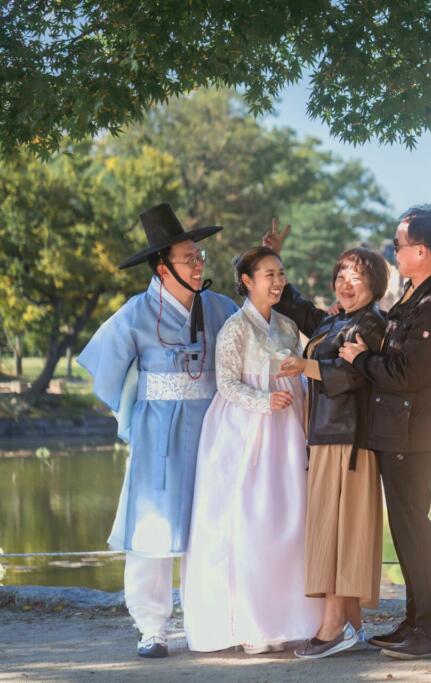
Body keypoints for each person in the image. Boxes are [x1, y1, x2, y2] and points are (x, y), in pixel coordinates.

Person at [77, 204, 238, 658]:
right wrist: (132, 413)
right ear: (162, 266)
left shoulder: (220, 307)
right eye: (189, 258)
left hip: (211, 428)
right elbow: (105, 373)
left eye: (199, 255)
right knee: (152, 529)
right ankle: (152, 627)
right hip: (158, 435)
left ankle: (210, 620)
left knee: (211, 526)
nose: (199, 263)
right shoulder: (135, 313)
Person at [339, 204, 431, 660]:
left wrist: (361, 361)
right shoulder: (417, 293)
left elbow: (408, 373)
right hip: (401, 428)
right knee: (406, 529)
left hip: (416, 429)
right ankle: (415, 622)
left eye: (398, 245)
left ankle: (430, 632)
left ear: (422, 251)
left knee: (414, 527)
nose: (393, 252)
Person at [182, 246, 321, 654]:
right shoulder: (234, 328)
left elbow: (299, 377)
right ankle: (251, 622)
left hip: (287, 433)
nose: (277, 282)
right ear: (247, 280)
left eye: (280, 274)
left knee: (289, 519)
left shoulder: (287, 325)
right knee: (250, 521)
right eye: (268, 275)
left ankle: (291, 618)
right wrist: (263, 402)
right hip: (243, 432)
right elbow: (225, 382)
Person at [262, 221, 389, 659]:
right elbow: (300, 311)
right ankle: (351, 626)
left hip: (349, 441)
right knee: (334, 529)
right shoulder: (340, 320)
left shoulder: (371, 323)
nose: (345, 283)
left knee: (340, 531)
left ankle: (333, 627)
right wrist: (276, 258)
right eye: (341, 275)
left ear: (375, 284)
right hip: (326, 436)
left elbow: (354, 374)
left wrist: (304, 367)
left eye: (356, 277)